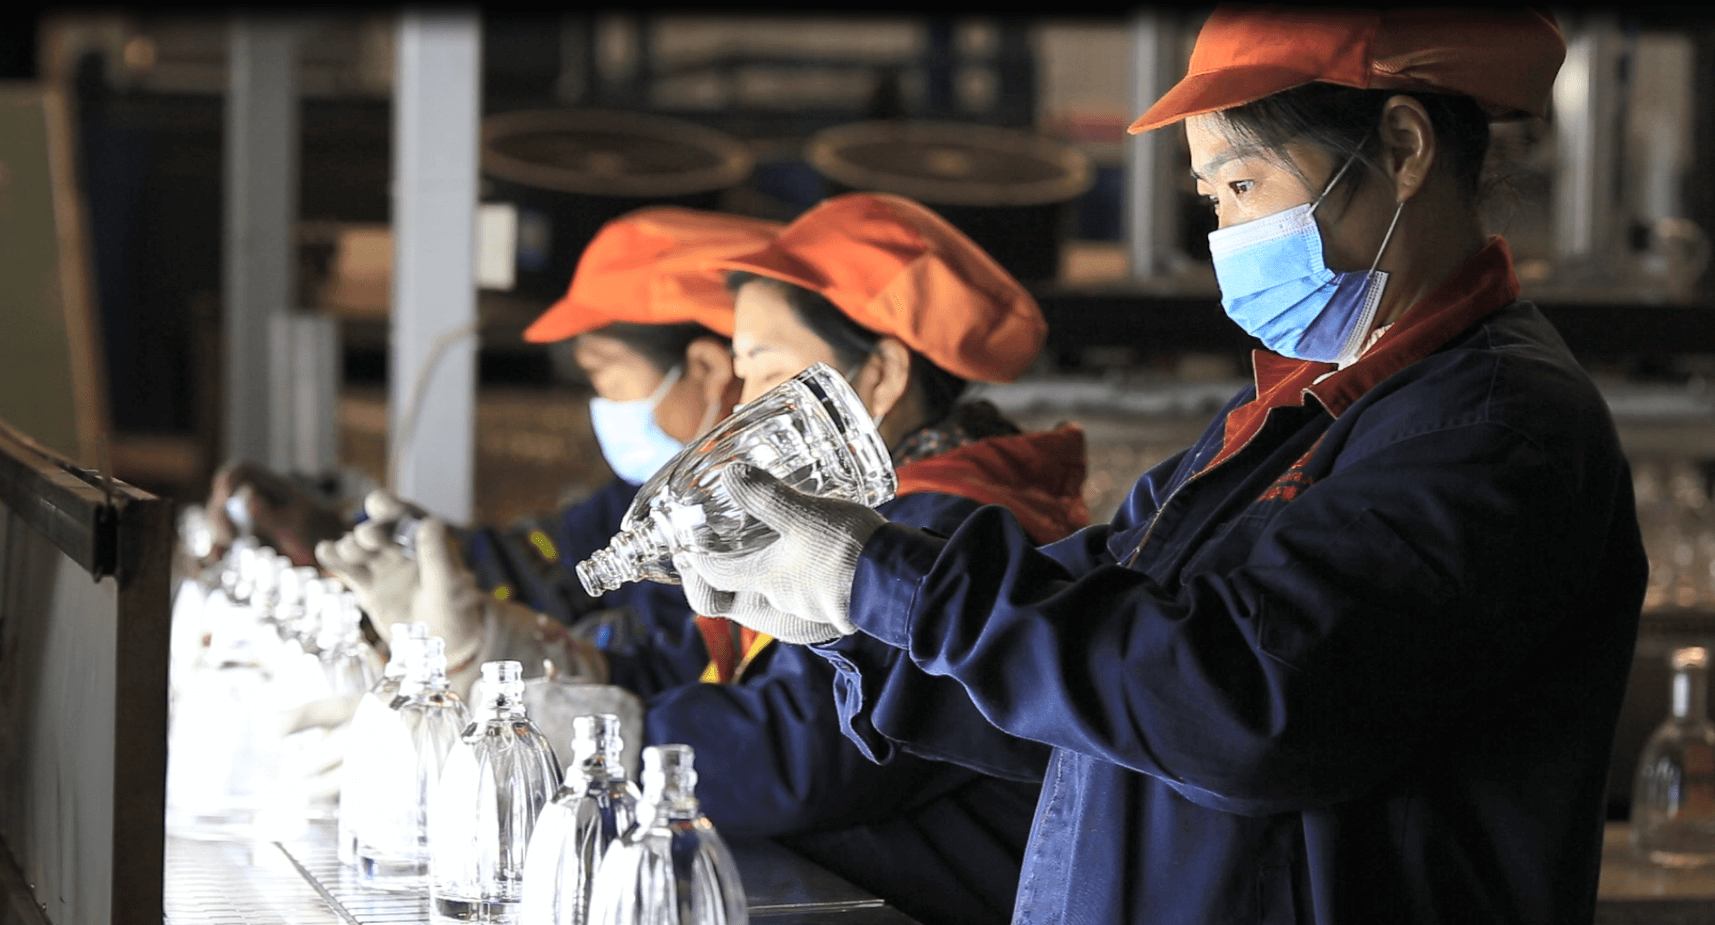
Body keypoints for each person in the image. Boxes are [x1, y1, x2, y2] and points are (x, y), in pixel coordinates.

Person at [674, 8, 1649, 924]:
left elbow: (1241, 703)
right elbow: (1106, 628)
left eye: (1241, 185)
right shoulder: (1296, 405)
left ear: (1399, 148)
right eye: (1209, 197)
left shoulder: (1490, 427)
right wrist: (868, 625)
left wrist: (892, 583)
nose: (1224, 232)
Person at [323, 196, 1089, 925]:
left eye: (761, 362)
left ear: (880, 378)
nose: (739, 398)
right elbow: (711, 652)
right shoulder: (871, 512)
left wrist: (597, 736)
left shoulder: (959, 530)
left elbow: (798, 754)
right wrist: (526, 663)